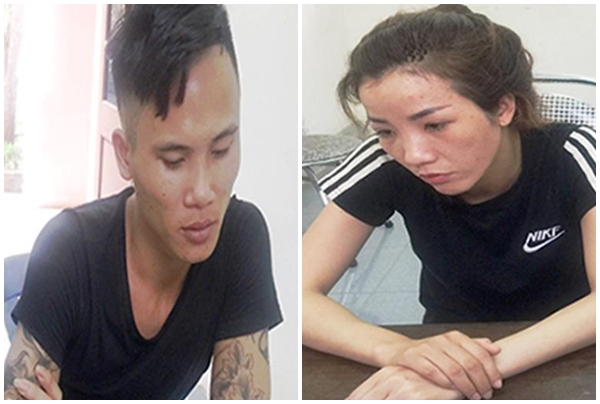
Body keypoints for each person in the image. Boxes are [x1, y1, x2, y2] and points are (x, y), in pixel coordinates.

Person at [303, 4, 595, 400]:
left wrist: (466, 372)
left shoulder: (576, 153)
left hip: (567, 351)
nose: (413, 154)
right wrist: (401, 352)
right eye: (386, 130)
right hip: (446, 343)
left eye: (435, 124)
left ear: (503, 107)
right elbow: (293, 293)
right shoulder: (385, 161)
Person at [4, 5, 282, 400]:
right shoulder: (69, 250)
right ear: (125, 154)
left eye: (221, 150)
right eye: (174, 161)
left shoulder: (238, 238)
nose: (203, 192)